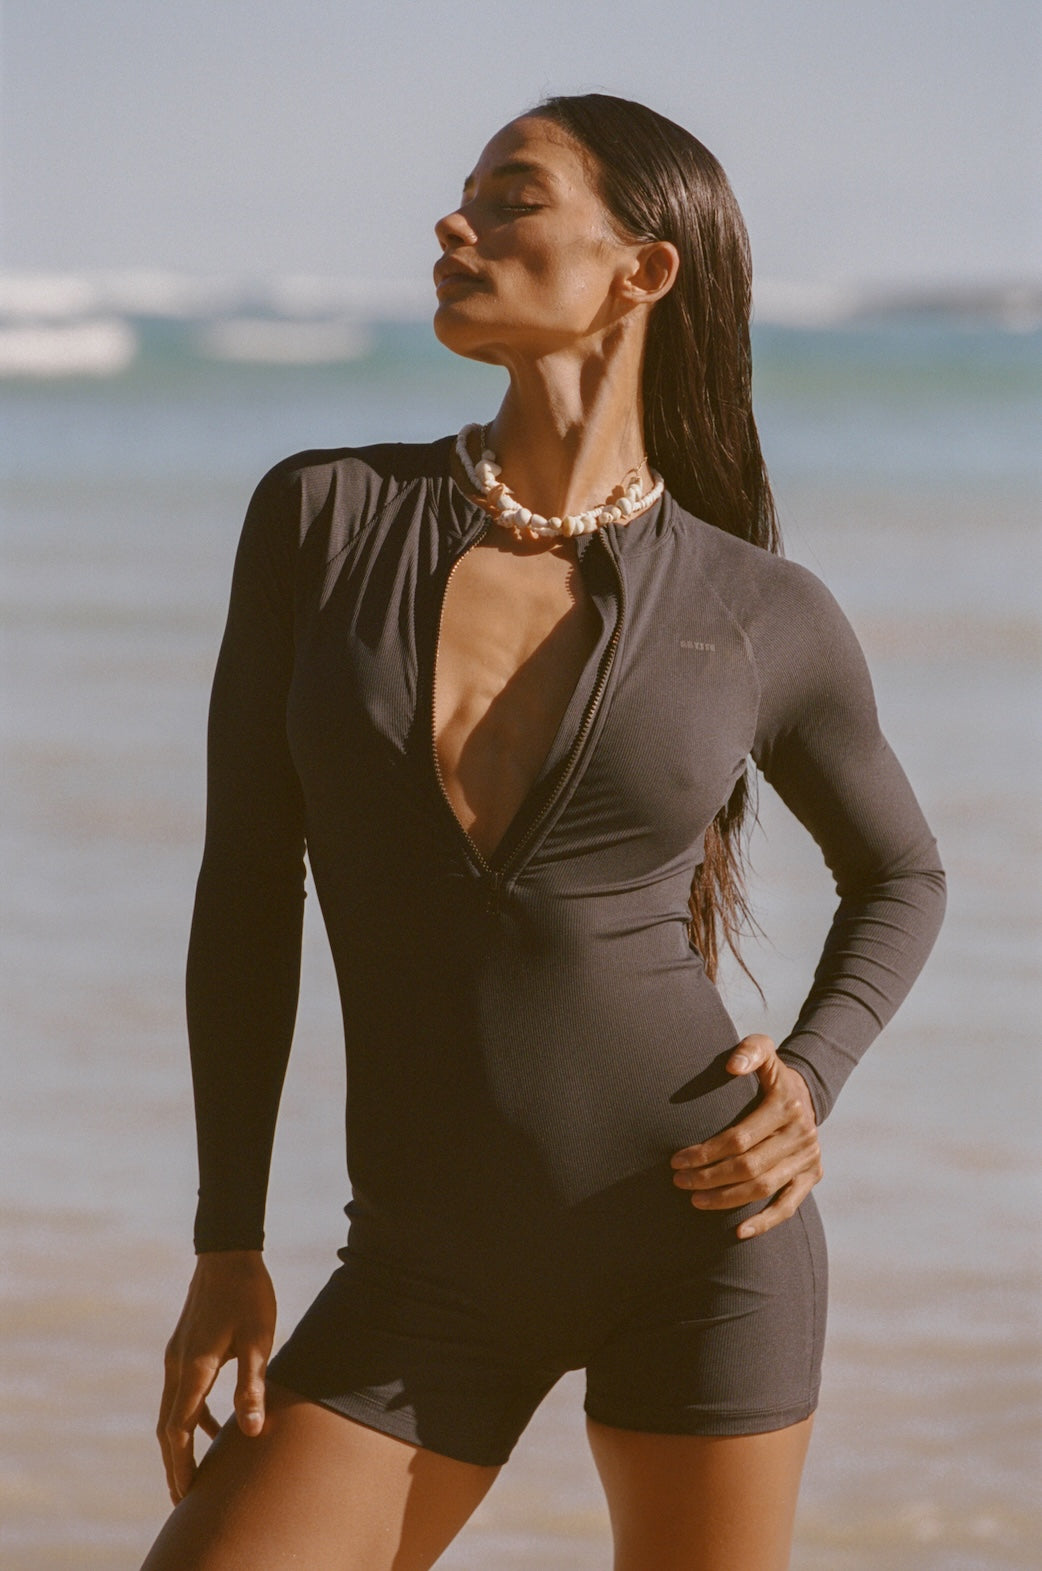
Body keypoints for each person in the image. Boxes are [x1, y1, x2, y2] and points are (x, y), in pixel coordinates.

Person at [142, 94, 946, 1571]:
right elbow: (247, 886)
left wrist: (808, 1079)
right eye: (461, 198)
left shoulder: (760, 611)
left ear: (640, 270)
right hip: (416, 1270)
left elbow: (900, 872)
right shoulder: (322, 519)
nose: (455, 226)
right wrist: (225, 1238)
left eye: (509, 198)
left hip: (706, 1246)